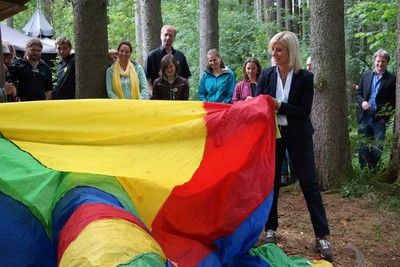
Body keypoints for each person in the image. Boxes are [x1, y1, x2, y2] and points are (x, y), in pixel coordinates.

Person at [255, 31, 332, 261]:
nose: (274, 54)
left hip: (299, 136)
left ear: (291, 51)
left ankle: (321, 235)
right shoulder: (267, 75)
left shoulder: (305, 77)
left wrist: (279, 105)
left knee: (309, 184)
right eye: (273, 49)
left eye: (279, 49)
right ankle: (270, 229)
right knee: (272, 183)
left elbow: (303, 110)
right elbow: (259, 102)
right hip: (274, 137)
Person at [355, 49, 396, 170]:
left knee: (379, 146)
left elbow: (393, 102)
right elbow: (358, 93)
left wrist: (385, 117)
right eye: (378, 61)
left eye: (383, 61)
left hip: (379, 119)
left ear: (387, 63)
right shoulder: (365, 75)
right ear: (374, 61)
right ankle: (363, 170)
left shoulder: (391, 79)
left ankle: (372, 167)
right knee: (363, 145)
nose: (380, 64)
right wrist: (362, 102)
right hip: (364, 117)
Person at [144, 25, 191, 98]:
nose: (168, 37)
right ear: (161, 35)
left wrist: (184, 93)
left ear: (174, 38)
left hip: (178, 101)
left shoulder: (180, 56)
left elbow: (186, 77)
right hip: (158, 101)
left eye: (171, 35)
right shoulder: (152, 56)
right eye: (166, 34)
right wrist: (153, 93)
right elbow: (146, 78)